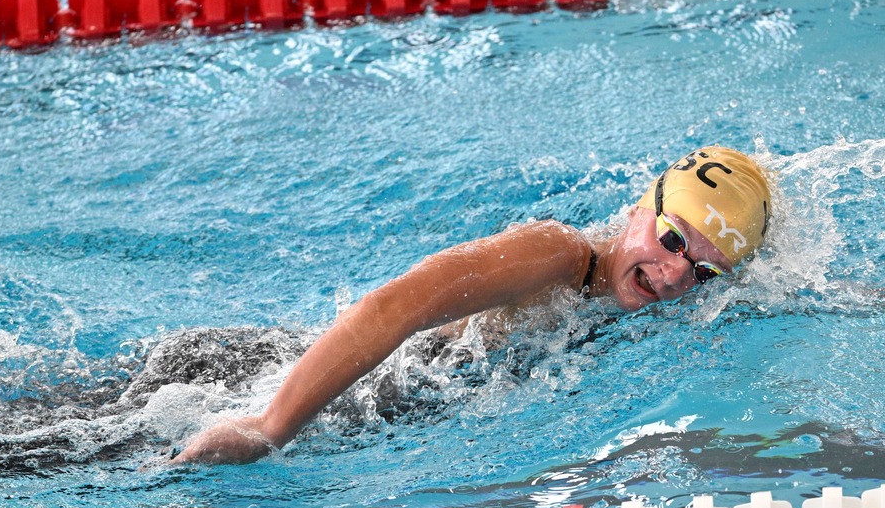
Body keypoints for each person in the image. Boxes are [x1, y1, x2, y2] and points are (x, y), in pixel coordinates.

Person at [174, 146, 774, 465]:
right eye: (670, 237)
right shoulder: (555, 255)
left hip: (374, 400)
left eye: (702, 269)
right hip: (257, 378)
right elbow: (394, 306)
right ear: (639, 209)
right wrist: (269, 427)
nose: (672, 274)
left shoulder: (656, 305)